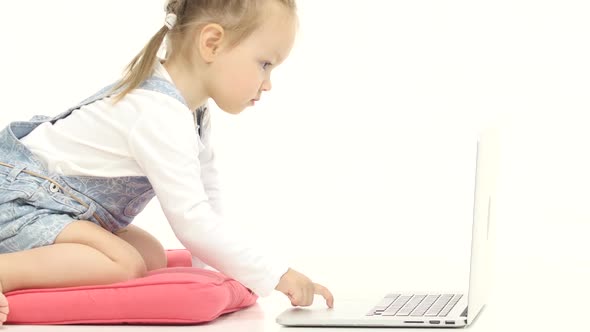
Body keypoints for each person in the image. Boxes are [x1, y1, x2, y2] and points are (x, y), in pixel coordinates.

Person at [0, 0, 333, 325]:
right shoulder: (158, 113)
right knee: (124, 263)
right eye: (264, 63)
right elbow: (191, 219)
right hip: (18, 204)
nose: (268, 83)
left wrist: (216, 271)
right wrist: (276, 275)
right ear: (212, 43)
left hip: (59, 208)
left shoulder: (191, 110)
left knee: (151, 256)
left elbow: (206, 196)